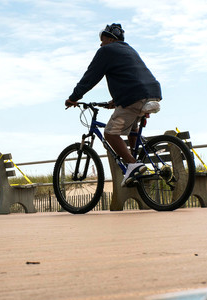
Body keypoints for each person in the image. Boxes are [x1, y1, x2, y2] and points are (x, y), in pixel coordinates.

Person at [65, 23, 162, 185]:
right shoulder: (129, 50)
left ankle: (133, 165)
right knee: (133, 126)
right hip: (152, 93)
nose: (100, 44)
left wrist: (73, 97)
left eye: (102, 40)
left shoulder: (106, 51)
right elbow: (131, 76)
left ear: (110, 39)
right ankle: (135, 159)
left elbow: (90, 77)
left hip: (134, 97)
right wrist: (116, 101)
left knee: (110, 134)